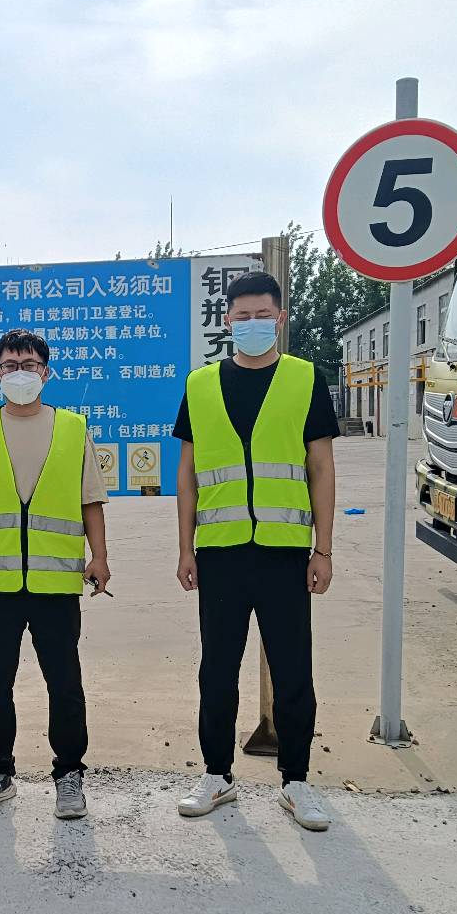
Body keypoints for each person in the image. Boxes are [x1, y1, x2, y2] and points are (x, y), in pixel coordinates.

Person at [171, 270, 338, 831]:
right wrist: (185, 548)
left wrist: (323, 549)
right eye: (241, 317)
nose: (252, 324)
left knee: (293, 671)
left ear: (280, 318)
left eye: (262, 315)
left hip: (284, 551)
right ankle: (216, 775)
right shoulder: (201, 385)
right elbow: (188, 474)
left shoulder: (304, 379)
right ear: (227, 321)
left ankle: (296, 781)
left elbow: (321, 467)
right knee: (217, 670)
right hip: (220, 552)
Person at [0, 329, 110, 820]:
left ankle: (69, 774)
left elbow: (90, 501)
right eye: (10, 365)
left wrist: (99, 557)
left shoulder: (74, 428)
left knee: (65, 683)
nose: (20, 373)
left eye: (30, 364)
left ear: (47, 372)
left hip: (55, 584)